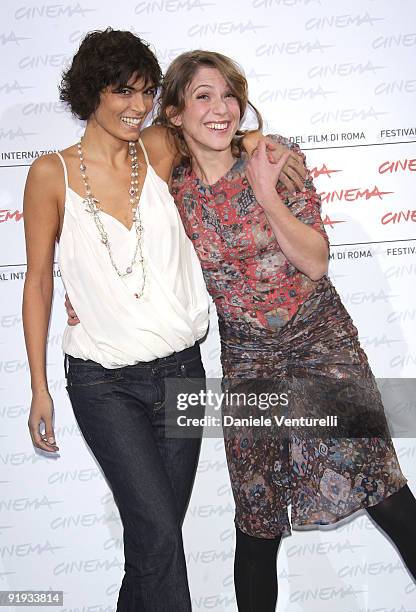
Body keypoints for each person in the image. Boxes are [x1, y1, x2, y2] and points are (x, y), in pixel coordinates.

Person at [23, 30, 302, 612]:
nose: (138, 106)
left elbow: (216, 129)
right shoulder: (50, 173)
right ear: (91, 94)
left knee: (153, 547)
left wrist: (265, 144)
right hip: (105, 384)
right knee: (158, 538)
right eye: (124, 92)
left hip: (183, 376)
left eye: (147, 93)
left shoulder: (155, 148)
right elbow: (40, 282)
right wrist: (39, 389)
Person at [153, 50, 416, 611]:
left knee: (385, 495)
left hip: (322, 345)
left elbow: (317, 261)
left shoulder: (277, 156)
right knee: (256, 521)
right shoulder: (170, 186)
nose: (222, 109)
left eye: (229, 95)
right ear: (175, 113)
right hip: (249, 363)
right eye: (204, 96)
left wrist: (266, 190)